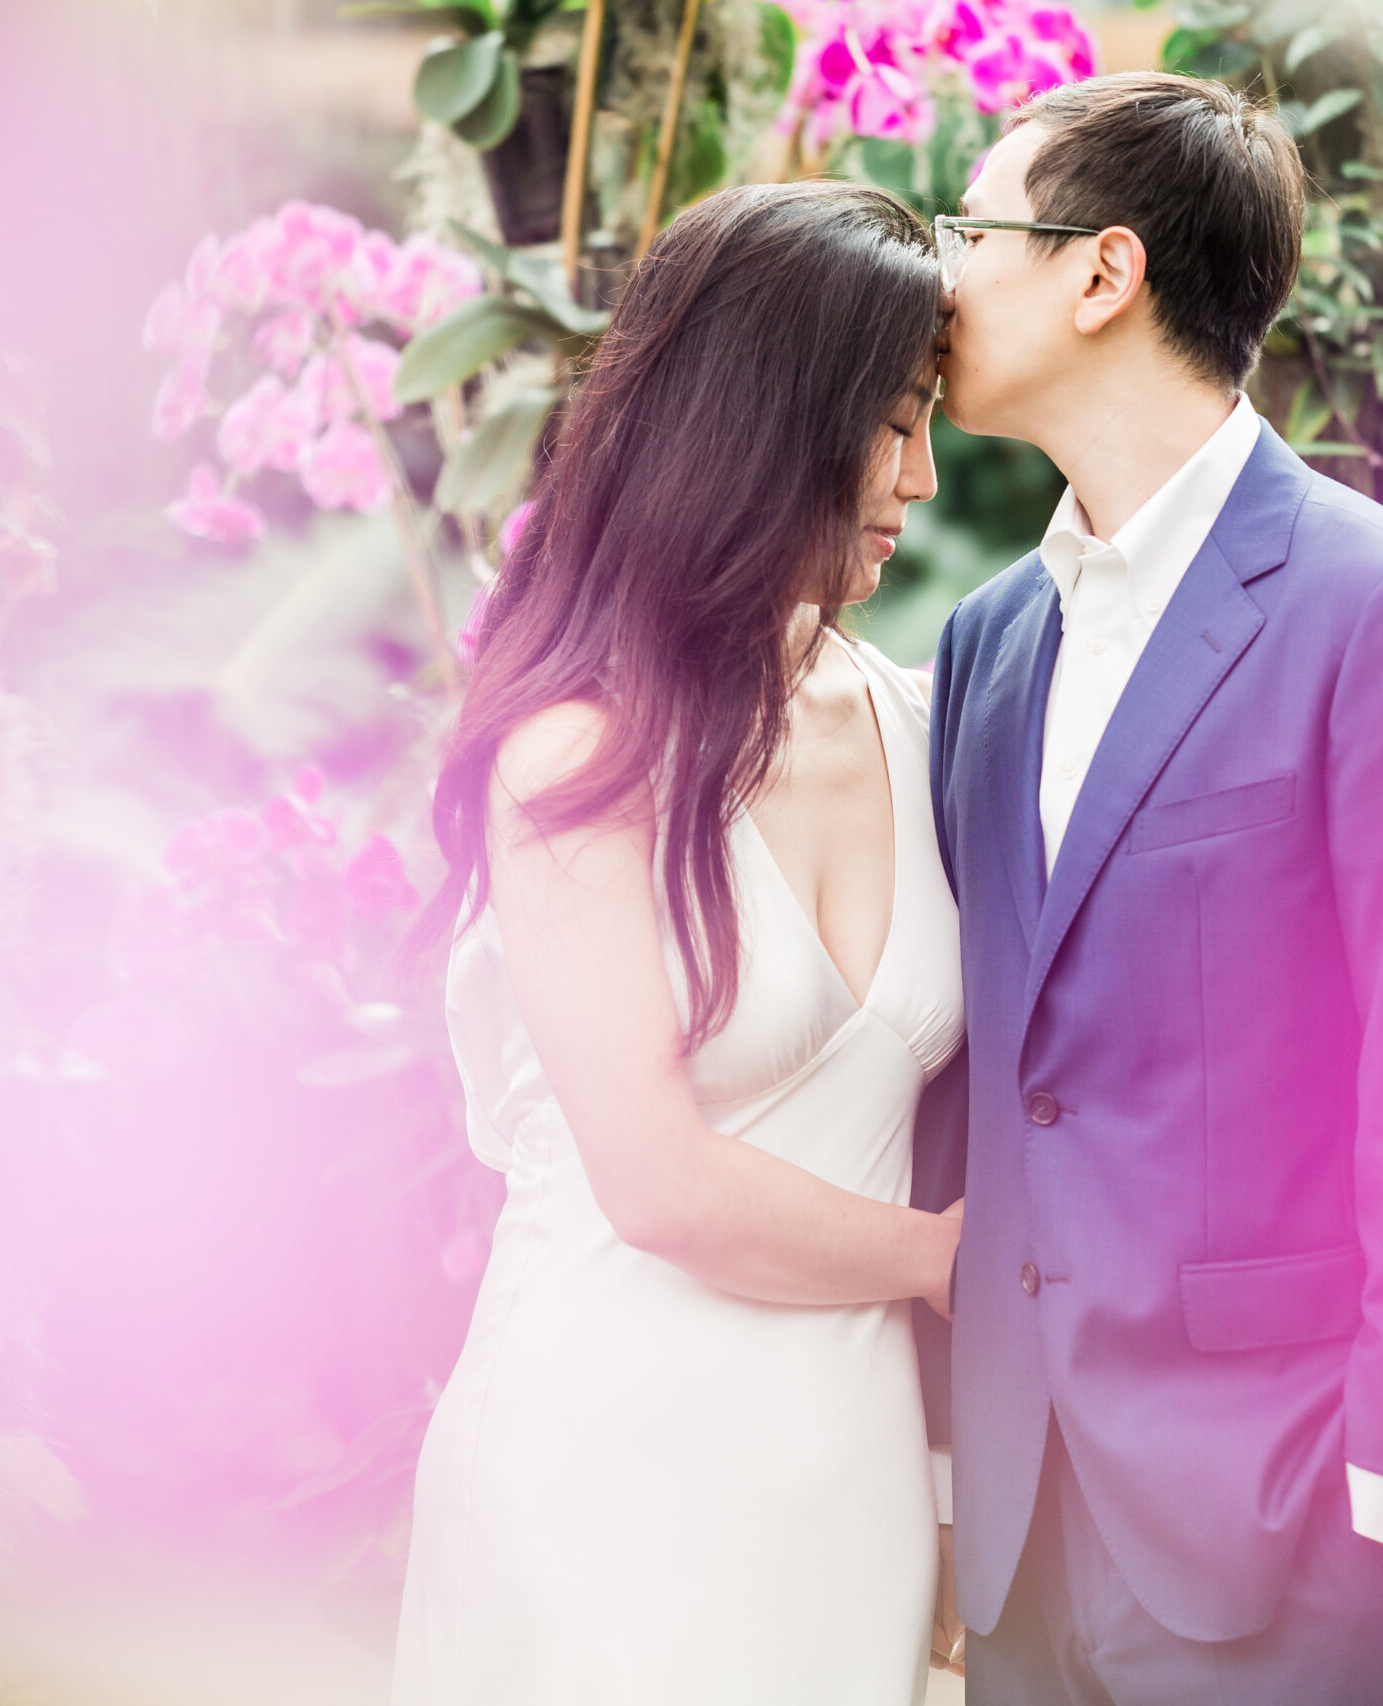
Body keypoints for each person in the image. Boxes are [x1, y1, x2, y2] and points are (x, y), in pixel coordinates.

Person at [918, 72, 1383, 1704]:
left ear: (1100, 272)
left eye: (969, 228)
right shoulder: (985, 644)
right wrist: (951, 1453)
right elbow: (981, 1076)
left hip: (1301, 1516)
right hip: (1025, 1525)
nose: (936, 275)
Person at [391, 181, 966, 1705]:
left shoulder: (923, 723)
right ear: (765, 420)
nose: (920, 474)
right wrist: (957, 1262)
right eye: (893, 421)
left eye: (932, 420)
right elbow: (656, 1182)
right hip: (604, 1465)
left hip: (849, 1487)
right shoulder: (578, 755)